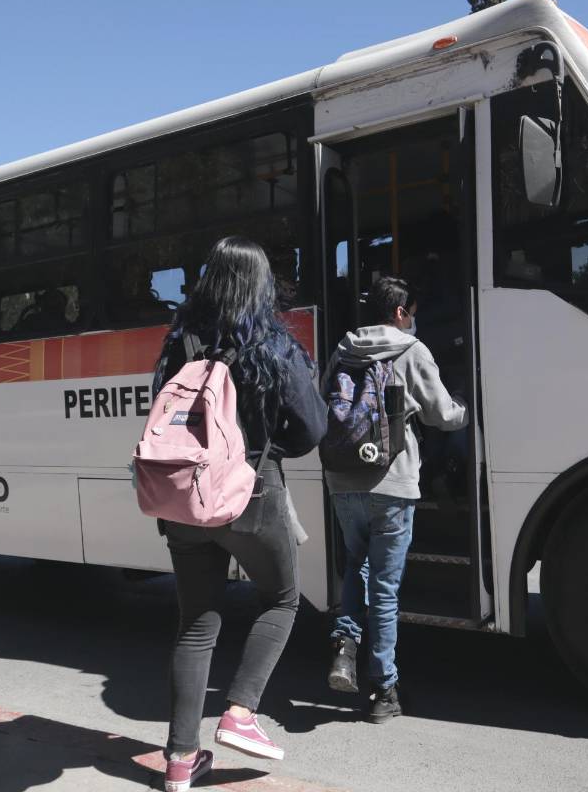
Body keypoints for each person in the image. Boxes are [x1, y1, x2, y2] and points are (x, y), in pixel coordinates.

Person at [152, 236, 327, 792]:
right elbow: (310, 430)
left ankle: (180, 761)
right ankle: (241, 714)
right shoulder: (272, 344)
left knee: (197, 621)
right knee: (281, 599)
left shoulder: (180, 339)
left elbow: (159, 404)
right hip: (249, 492)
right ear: (261, 284)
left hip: (182, 498)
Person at [322, 276, 468, 723]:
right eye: (413, 312)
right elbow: (443, 416)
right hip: (391, 483)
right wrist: (464, 403)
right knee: (384, 589)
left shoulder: (343, 349)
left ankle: (345, 644)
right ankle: (384, 689)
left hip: (344, 479)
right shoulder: (411, 349)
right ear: (402, 312)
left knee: (356, 565)